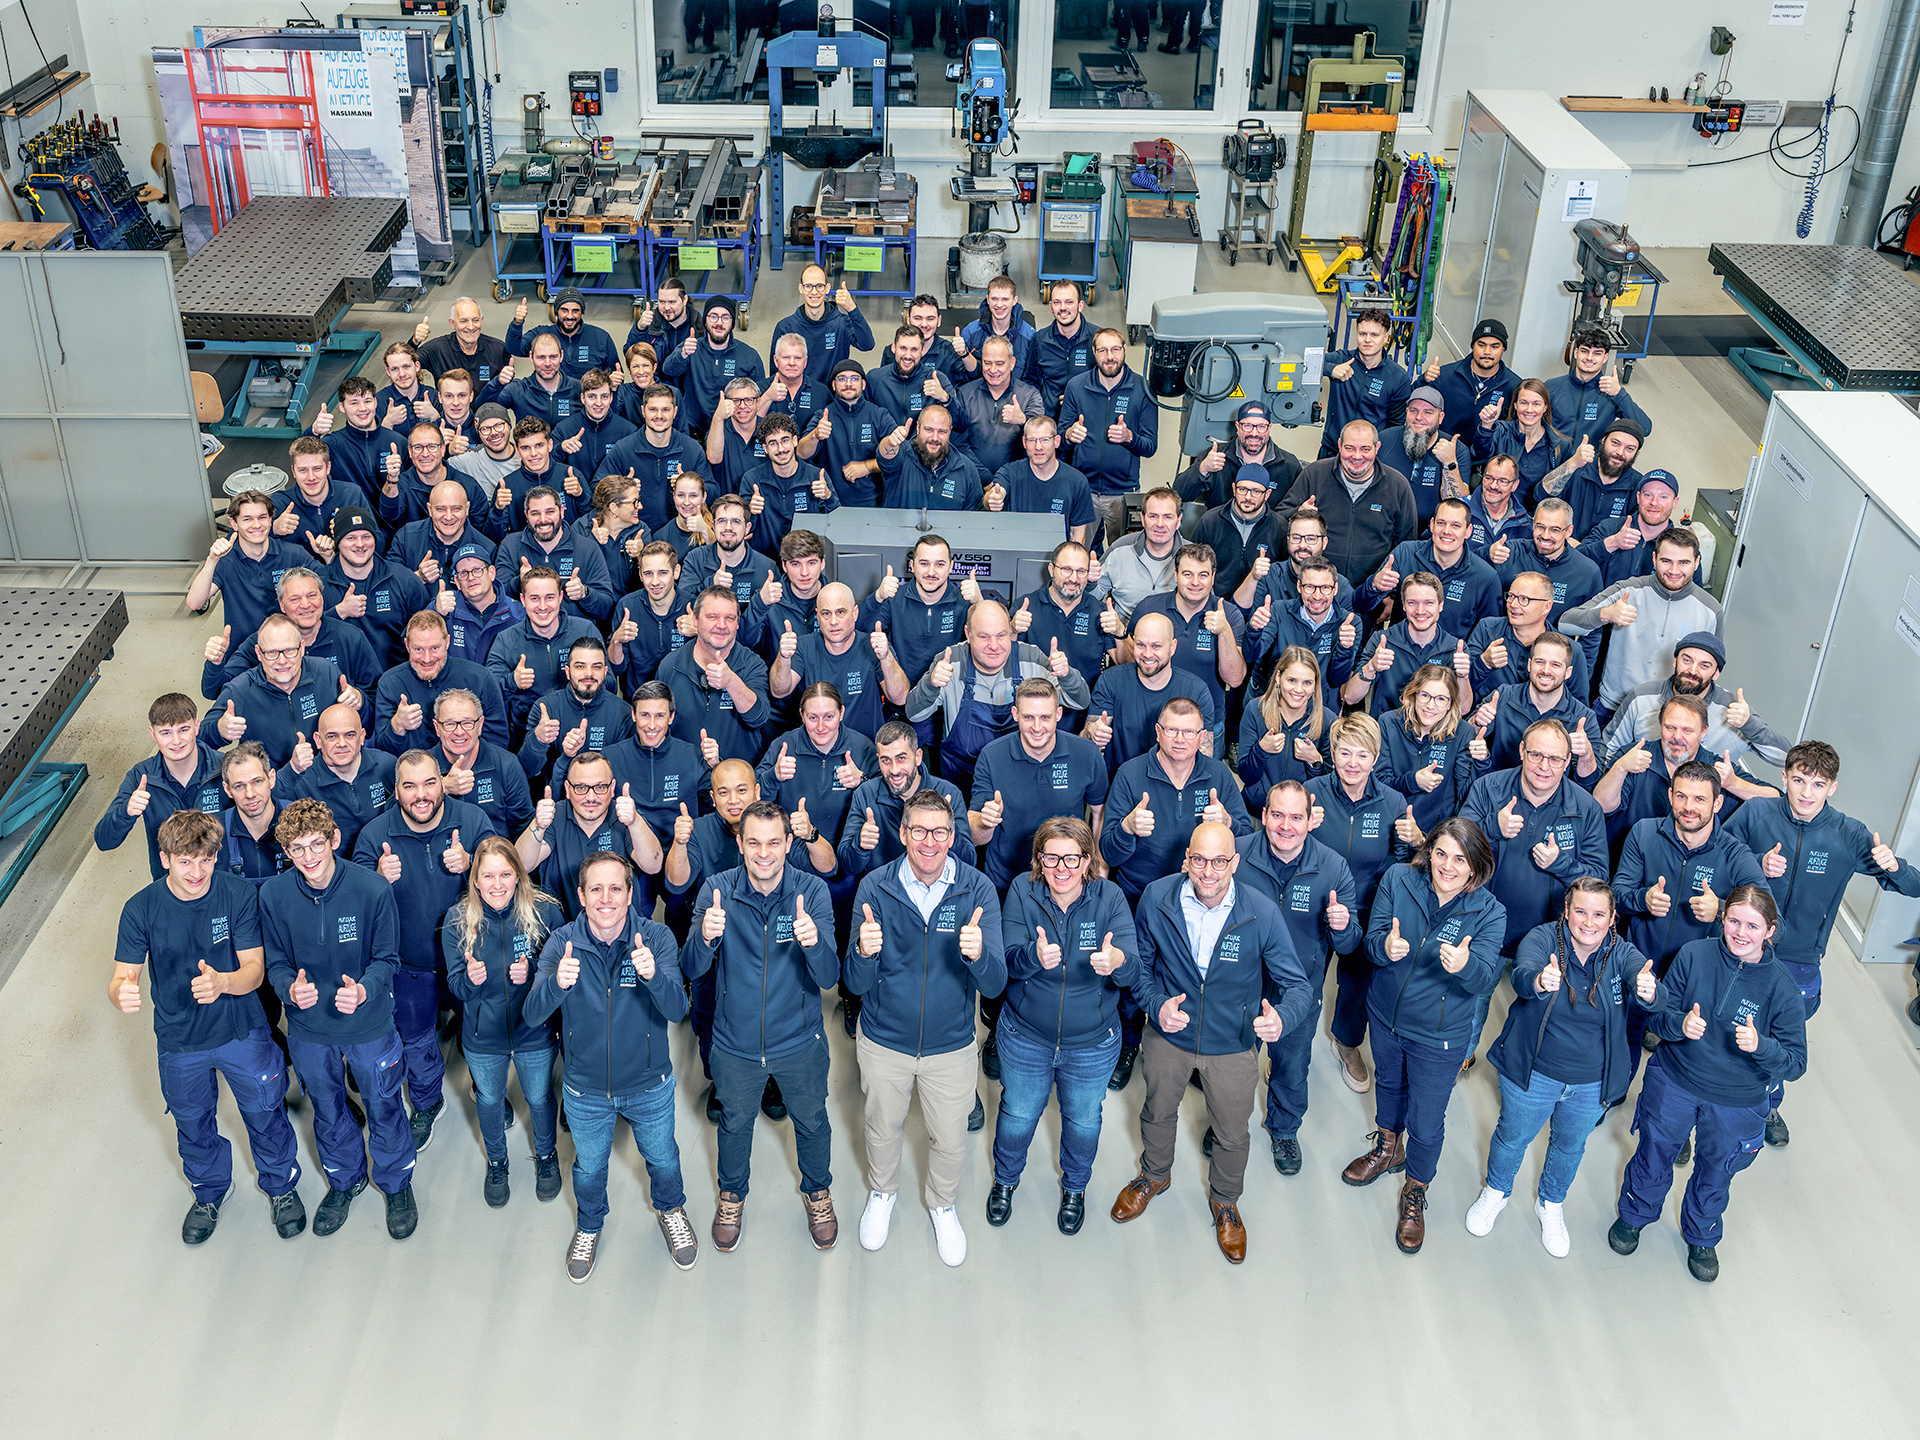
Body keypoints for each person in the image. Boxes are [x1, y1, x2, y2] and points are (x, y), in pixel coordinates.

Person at [1110, 820, 1305, 1263]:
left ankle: (1225, 1202)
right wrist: (1156, 1004)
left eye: (1219, 861)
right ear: (1187, 860)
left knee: (1232, 1133)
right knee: (1157, 1111)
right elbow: (1139, 968)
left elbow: (1297, 985)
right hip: (1170, 1033)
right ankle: (1154, 1175)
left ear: (1235, 862)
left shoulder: (1260, 912)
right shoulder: (1157, 898)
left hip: (1232, 1042)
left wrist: (1283, 1019)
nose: (1209, 872)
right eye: (1199, 860)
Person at [112, 808, 302, 1244]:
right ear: (165, 859)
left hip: (241, 1030)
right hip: (180, 1039)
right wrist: (120, 991)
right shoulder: (140, 909)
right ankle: (210, 1191)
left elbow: (254, 970)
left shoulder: (238, 895)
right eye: (185, 861)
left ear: (217, 856)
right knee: (193, 1122)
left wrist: (223, 983)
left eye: (206, 859)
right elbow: (123, 974)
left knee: (265, 1112)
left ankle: (281, 1186)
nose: (197, 872)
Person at [1722, 740, 1920, 1146]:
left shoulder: (1848, 834)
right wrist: (1756, 863)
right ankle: (1708, 1096)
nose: (1806, 793)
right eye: (1799, 780)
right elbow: (1716, 858)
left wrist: (1895, 866)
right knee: (1725, 1023)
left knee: (1779, 1038)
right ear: (1784, 778)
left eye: (1818, 784)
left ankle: (1767, 1103)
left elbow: (1914, 886)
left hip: (1800, 961)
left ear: (1832, 787)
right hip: (1741, 947)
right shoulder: (1756, 813)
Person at [1610, 885, 1805, 1283]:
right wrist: (1679, 1025)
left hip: (1736, 1101)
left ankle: (1701, 1235)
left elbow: (1796, 1063)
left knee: (1717, 1170)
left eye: (1753, 926)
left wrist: (1762, 1047)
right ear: (1722, 919)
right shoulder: (1693, 955)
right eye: (1734, 921)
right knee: (1654, 1153)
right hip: (1675, 1081)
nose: (1740, 932)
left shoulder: (1782, 989)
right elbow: (1657, 1017)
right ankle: (1635, 1214)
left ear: (1770, 931)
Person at [846, 789, 1006, 1266]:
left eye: (940, 832)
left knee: (951, 1139)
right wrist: (863, 953)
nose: (929, 842)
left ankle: (942, 1204)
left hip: (951, 1046)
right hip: (884, 1041)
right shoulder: (874, 887)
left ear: (953, 836)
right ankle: (882, 1192)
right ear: (903, 833)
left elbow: (995, 984)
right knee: (882, 1127)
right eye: (919, 830)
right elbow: (853, 982)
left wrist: (979, 956)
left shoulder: (977, 890)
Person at [524, 851, 697, 1281]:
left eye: (615, 888)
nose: (606, 898)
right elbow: (531, 1014)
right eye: (596, 889)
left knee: (663, 1158)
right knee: (588, 1167)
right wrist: (556, 985)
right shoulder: (561, 944)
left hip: (648, 1085)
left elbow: (678, 1010)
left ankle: (671, 1209)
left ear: (629, 893)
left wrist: (654, 977)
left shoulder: (656, 938)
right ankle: (589, 1224)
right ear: (581, 896)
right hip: (585, 1090)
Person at [1468, 880, 1660, 1256]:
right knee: (1512, 1136)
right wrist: (1540, 980)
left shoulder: (1622, 953)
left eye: (1599, 914)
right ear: (1566, 911)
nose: (1588, 922)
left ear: (1612, 918)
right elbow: (1522, 975)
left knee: (1570, 1145)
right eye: (1580, 911)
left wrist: (1650, 991)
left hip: (1591, 1083)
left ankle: (1550, 1203)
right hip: (1534, 1073)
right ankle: (1495, 1191)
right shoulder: (1542, 940)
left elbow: (1652, 988)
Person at [682, 801, 841, 1252]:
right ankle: (732, 1195)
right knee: (734, 1125)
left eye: (773, 842)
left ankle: (818, 1192)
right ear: (740, 844)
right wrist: (705, 937)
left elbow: (830, 976)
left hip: (800, 1042)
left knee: (812, 1122)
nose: (764, 853)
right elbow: (691, 968)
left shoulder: (812, 891)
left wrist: (814, 944)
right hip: (735, 1044)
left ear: (789, 843)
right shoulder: (717, 891)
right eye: (754, 843)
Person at [1344, 817, 1506, 1254]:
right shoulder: (1398, 879)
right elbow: (1372, 942)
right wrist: (1384, 948)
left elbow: (1484, 977)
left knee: (1427, 1119)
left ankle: (1415, 1188)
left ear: (1476, 866)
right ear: (1428, 851)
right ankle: (1387, 1148)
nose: (1448, 867)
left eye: (1460, 859)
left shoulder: (1490, 912)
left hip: (1439, 1037)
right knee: (1387, 1086)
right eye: (1440, 854)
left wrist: (1465, 966)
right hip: (1386, 1016)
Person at [260, 797, 418, 1240]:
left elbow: (387, 958)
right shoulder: (273, 896)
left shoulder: (372, 890)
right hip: (309, 1029)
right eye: (297, 849)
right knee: (327, 1109)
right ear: (286, 851)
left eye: (316, 844)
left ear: (334, 839)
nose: (308, 857)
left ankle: (396, 1183)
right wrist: (289, 988)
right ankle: (345, 1180)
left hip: (369, 1025)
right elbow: (275, 963)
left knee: (383, 1104)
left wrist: (364, 989)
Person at [992, 817, 1136, 1233]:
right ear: (1039, 859)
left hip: (1092, 1043)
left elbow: (1133, 968)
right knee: (1018, 1115)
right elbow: (1006, 964)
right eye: (1051, 857)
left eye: (1072, 858)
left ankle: (1075, 1187)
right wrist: (1033, 957)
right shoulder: (1022, 890)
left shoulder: (1109, 897)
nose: (1061, 868)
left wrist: (1117, 961)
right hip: (1026, 1036)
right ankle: (1005, 1179)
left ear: (1087, 861)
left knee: (1083, 1121)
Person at [351, 750, 498, 1151]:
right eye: (410, 786)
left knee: (481, 1031)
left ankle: (486, 1090)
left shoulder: (472, 820)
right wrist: (376, 878)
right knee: (416, 1043)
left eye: (430, 783)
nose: (421, 794)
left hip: (469, 958)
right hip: (408, 965)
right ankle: (427, 1102)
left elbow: (505, 879)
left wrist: (472, 863)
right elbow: (354, 904)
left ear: (442, 783)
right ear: (396, 790)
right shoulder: (374, 835)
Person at [1458, 718, 1609, 1062]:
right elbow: (1456, 844)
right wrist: (1491, 828)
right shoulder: (1489, 788)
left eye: (1555, 759)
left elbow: (1600, 879)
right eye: (1537, 755)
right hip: (1487, 924)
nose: (1544, 766)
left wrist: (1562, 863)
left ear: (1567, 762)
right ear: (1522, 751)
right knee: (1473, 997)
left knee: (1538, 1009)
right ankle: (1460, 1058)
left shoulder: (1585, 808)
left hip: (1550, 935)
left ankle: (1514, 1067)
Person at [1234, 780, 1361, 1175]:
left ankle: (1284, 1130)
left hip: (1298, 989)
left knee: (1291, 1066)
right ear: (1263, 815)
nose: (1285, 826)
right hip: (1243, 985)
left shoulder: (1333, 867)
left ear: (1310, 820)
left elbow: (1350, 944)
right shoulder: (1237, 855)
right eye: (1277, 815)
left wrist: (1342, 925)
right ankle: (1227, 1123)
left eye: (1295, 817)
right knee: (1234, 1063)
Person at [1612, 759, 1769, 1059]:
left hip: (1694, 983)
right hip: (1639, 967)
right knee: (1622, 1047)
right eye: (1681, 796)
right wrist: (1642, 899)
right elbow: (1616, 894)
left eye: (1700, 799)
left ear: (1717, 803)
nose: (1689, 807)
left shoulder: (1735, 855)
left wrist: (1722, 911)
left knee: (1676, 1061)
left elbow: (1771, 920)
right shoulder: (1644, 833)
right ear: (1670, 795)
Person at [443, 836, 564, 1208]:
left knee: (539, 1098)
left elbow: (562, 974)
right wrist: (470, 980)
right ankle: (497, 1162)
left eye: (506, 874)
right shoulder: (457, 921)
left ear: (519, 875)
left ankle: (546, 1156)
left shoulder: (545, 912)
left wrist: (533, 974)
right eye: (488, 876)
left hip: (534, 1031)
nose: (497, 884)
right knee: (490, 1099)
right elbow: (455, 986)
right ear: (476, 880)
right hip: (484, 1037)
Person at [1309, 713, 1415, 1096]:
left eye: (1362, 754)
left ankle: (1347, 1043)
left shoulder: (1393, 802)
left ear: (1375, 758)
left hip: (1367, 908)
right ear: (1332, 753)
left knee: (1357, 986)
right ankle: (1288, 1048)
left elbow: (1400, 861)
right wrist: (1300, 828)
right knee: (1303, 980)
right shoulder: (1311, 794)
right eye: (1344, 752)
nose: (1352, 763)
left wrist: (1416, 841)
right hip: (1315, 906)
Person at [905, 600, 1091, 799]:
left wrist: (1067, 675)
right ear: (968, 634)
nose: (994, 646)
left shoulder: (1031, 658)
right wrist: (930, 685)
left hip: (1018, 779)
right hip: (962, 781)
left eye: (1001, 635)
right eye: (984, 636)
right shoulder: (950, 661)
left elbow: (1080, 701)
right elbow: (914, 713)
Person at [1099, 696, 1253, 904]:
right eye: (1171, 730)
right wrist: (1127, 828)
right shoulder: (1129, 774)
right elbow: (1109, 855)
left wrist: (1228, 823)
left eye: (1189, 732)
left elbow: (1247, 844)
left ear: (1202, 737)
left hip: (1201, 896)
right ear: (1158, 732)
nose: (1180, 739)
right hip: (1138, 897)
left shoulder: (1219, 774)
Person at [969, 678, 1110, 894]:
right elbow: (975, 835)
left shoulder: (1087, 753)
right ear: (1015, 714)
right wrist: (985, 822)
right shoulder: (991, 756)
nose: (1037, 727)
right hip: (1006, 882)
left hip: (1067, 879)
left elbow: (1100, 814)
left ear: (1058, 715)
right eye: (1028, 717)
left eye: (1045, 717)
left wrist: (1099, 867)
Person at [1560, 529, 1719, 718]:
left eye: (1683, 562)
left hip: (1668, 717)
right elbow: (1565, 623)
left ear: (1697, 563)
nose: (1674, 571)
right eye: (1666, 561)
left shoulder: (1711, 611)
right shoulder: (1628, 590)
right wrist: (1605, 614)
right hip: (1612, 710)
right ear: (1654, 559)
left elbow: (1711, 673)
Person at [1595, 694, 1775, 850]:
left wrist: (1734, 784)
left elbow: (1775, 800)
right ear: (1660, 725)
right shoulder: (1632, 756)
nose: (1677, 737)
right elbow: (1600, 806)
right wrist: (1620, 768)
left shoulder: (1717, 768)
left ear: (1703, 733)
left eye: (1687, 730)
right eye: (1670, 727)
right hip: (1625, 863)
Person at [1600, 631, 1789, 773]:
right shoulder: (1641, 697)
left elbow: (1786, 758)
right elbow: (1607, 752)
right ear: (1675, 661)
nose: (1692, 670)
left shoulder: (1733, 709)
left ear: (1716, 673)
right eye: (1687, 660)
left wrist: (1749, 725)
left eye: (1704, 665)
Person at [1128, 544, 1247, 756]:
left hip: (1205, 726)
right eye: (1187, 574)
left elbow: (1235, 679)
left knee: (1202, 777)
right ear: (1175, 575)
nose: (1195, 582)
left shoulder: (1229, 615)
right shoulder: (1149, 608)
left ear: (1213, 577)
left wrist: (1224, 631)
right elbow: (1128, 662)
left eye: (1203, 575)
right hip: (1152, 721)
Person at [201, 615, 361, 770]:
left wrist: (360, 701)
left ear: (302, 648)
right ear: (258, 653)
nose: (282, 661)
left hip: (329, 778)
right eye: (272, 653)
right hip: (272, 784)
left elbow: (363, 727)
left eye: (289, 650)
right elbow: (199, 739)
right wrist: (219, 730)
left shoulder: (326, 672)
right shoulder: (241, 689)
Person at [98, 693, 230, 880]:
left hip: (223, 882)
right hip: (171, 886)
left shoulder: (226, 768)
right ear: (153, 734)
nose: (176, 741)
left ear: (197, 726)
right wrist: (125, 812)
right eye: (166, 733)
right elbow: (104, 841)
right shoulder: (141, 777)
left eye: (183, 730)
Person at [1274, 420, 1418, 588]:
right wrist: (1298, 512)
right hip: (1315, 590)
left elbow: (1407, 547)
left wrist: (1391, 593)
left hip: (1372, 592)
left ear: (1377, 448)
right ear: (1339, 445)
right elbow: (1278, 520)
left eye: (1365, 449)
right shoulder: (1314, 474)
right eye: (1350, 448)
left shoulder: (1397, 486)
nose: (1357, 456)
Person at [1086, 610, 1218, 775]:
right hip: (1118, 782)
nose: (1147, 654)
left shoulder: (1196, 691)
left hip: (1173, 784)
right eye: (1141, 645)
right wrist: (1091, 733)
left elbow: (1204, 757)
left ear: (1172, 647)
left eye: (1156, 646)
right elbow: (1087, 742)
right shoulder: (1111, 680)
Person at [771, 581, 908, 741]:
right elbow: (779, 691)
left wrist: (886, 658)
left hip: (866, 750)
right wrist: (784, 657)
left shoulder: (874, 646)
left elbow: (900, 697)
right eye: (826, 614)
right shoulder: (804, 646)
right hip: (819, 749)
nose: (833, 621)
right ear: (818, 616)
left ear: (855, 613)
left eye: (840, 612)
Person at [1060, 328, 1159, 542]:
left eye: (1115, 349)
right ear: (1094, 352)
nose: (1110, 357)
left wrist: (1129, 437)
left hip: (1122, 493)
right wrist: (1069, 434)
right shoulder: (1076, 387)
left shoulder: (1143, 390)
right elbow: (1059, 438)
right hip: (1083, 490)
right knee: (1076, 552)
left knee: (1123, 554)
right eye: (1103, 350)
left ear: (1124, 350)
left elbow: (1150, 446)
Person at [657, 585, 771, 766]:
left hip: (737, 777)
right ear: (695, 619)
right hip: (685, 775)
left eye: (730, 618)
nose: (721, 625)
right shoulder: (670, 666)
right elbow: (659, 726)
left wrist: (731, 682)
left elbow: (758, 717)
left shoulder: (752, 664)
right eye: (712, 617)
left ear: (738, 623)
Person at [488, 565, 600, 742]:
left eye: (549, 597)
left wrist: (586, 678)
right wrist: (512, 681)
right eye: (534, 598)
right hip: (525, 738)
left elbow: (609, 683)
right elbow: (489, 695)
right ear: (523, 600)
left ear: (560, 597)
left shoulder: (586, 630)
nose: (542, 606)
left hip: (579, 734)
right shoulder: (505, 640)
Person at [373, 610, 508, 755]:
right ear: (407, 645)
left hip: (468, 767)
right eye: (418, 649)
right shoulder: (390, 683)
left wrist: (465, 764)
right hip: (413, 768)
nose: (427, 659)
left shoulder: (481, 679)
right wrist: (397, 725)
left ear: (447, 642)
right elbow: (384, 752)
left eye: (435, 648)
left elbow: (497, 741)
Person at [1466, 631, 1599, 777]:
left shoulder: (1584, 718)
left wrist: (1586, 755)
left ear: (1568, 672)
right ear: (1529, 665)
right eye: (1540, 662)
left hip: (1551, 792)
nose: (1546, 671)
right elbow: (1463, 741)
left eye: (1555, 665)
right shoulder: (1502, 696)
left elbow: (1589, 784)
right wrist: (1476, 722)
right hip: (1498, 787)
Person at [186, 489, 305, 645]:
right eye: (247, 519)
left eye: (262, 517)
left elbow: (325, 585)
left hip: (286, 648)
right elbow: (195, 603)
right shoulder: (225, 561)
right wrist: (211, 560)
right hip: (242, 651)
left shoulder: (294, 554)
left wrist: (328, 556)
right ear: (234, 524)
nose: (256, 525)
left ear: (271, 520)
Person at [1377, 665, 1483, 837]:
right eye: (1424, 695)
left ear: (1450, 703)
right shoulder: (1388, 723)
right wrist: (1413, 781)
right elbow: (1378, 784)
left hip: (1434, 836)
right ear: (1413, 694)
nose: (1430, 705)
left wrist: (1481, 761)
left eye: (1441, 699)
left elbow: (1466, 796)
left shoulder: (1463, 732)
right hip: (1389, 828)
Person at [320, 506, 432, 668]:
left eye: (366, 536)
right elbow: (302, 635)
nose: (360, 544)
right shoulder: (318, 584)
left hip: (396, 678)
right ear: (338, 542)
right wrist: (339, 612)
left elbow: (429, 632)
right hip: (340, 680)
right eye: (351, 538)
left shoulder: (404, 580)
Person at [1373, 496, 1503, 636]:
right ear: (1432, 524)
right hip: (1399, 648)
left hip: (1456, 650)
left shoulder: (1486, 577)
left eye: (1456, 525)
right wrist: (1373, 585)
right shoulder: (1404, 553)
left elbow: (1491, 635)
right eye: (1441, 523)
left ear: (1468, 531)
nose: (1447, 531)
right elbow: (1363, 603)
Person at [518, 635, 634, 790]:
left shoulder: (624, 714)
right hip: (555, 799)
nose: (589, 674)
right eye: (580, 666)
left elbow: (625, 775)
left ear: (606, 672)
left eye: (596, 667)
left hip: (604, 800)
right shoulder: (545, 708)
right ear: (567, 672)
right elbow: (527, 770)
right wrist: (538, 740)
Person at [1343, 573, 1464, 720]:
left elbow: (1463, 709)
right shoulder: (1382, 640)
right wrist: (1371, 667)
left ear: (1441, 605)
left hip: (1435, 731)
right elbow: (1350, 697)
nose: (1420, 611)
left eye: (1428, 603)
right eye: (1412, 603)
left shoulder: (1455, 649)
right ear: (1404, 605)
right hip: (1386, 729)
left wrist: (1463, 676)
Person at [597, 383, 714, 532]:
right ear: (643, 411)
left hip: (680, 533)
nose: (659, 415)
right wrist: (621, 489)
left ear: (675, 412)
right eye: (653, 409)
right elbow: (597, 488)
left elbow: (713, 491)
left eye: (665, 410)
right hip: (633, 532)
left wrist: (689, 486)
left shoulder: (692, 449)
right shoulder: (623, 449)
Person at [283, 702, 396, 855]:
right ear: (318, 740)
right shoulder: (301, 780)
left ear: (362, 736)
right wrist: (291, 771)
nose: (342, 744)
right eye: (332, 736)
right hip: (331, 867)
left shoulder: (388, 766)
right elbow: (265, 806)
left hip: (385, 859)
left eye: (350, 735)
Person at [1245, 559, 1360, 707]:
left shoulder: (1350, 623)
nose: (1317, 596)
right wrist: (1254, 630)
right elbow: (1251, 655)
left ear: (1335, 588)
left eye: (1325, 587)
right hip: (1273, 701)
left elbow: (1338, 679)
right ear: (1299, 586)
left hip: (1319, 707)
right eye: (1310, 587)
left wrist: (1345, 649)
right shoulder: (1279, 611)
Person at [1465, 571, 1590, 703]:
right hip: (1486, 713)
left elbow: (1578, 705)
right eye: (1511, 596)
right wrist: (1484, 663)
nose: (1513, 604)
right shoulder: (1487, 629)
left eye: (1524, 599)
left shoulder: (1570, 649)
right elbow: (1461, 689)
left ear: (1546, 607)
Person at [426, 688, 532, 839]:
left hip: (494, 852)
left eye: (467, 723)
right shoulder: (421, 766)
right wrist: (443, 787)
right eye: (449, 724)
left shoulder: (507, 765)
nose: (459, 732)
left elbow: (523, 829)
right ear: (437, 728)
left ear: (480, 725)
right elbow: (397, 813)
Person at [1492, 497, 1604, 635]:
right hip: (1506, 644)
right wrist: (1488, 553)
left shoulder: (1588, 571)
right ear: (1533, 524)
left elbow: (1592, 629)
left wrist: (1576, 650)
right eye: (1540, 527)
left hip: (1557, 647)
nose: (1545, 536)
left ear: (1569, 531)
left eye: (1555, 530)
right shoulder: (1510, 552)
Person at [1009, 541, 1110, 691]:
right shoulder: (1026, 607)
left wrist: (1119, 632)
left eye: (1081, 571)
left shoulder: (1100, 612)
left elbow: (1124, 661)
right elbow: (1003, 660)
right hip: (1035, 702)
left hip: (1084, 703)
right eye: (1066, 570)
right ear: (1051, 570)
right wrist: (1012, 630)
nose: (1074, 579)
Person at [1175, 399, 1304, 512]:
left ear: (1269, 428)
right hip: (1221, 529)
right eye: (1247, 426)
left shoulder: (1289, 465)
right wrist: (1203, 468)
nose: (1254, 433)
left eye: (1261, 426)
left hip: (1269, 532)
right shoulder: (1216, 456)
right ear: (1237, 427)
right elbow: (1179, 494)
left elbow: (1294, 510)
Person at [663, 295, 766, 436]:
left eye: (725, 317)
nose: (719, 323)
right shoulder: (691, 347)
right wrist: (683, 354)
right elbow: (668, 370)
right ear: (705, 321)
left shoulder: (749, 356)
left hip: (730, 431)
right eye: (713, 316)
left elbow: (758, 395)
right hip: (692, 429)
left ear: (732, 322)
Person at [738, 414, 837, 559]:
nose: (780, 449)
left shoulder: (816, 476)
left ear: (795, 440)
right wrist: (750, 512)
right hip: (766, 561)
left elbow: (836, 524)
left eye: (785, 440)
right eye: (773, 443)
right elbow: (743, 530)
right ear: (765, 448)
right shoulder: (752, 479)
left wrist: (828, 497)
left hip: (805, 562)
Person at [798, 359, 892, 507]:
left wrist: (867, 466)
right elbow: (801, 453)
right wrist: (815, 435)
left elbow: (898, 459)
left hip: (875, 505)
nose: (848, 384)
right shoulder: (822, 416)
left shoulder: (879, 415)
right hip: (832, 503)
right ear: (833, 385)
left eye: (854, 378)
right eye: (842, 379)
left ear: (863, 384)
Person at [1317, 312, 1411, 459]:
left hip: (1368, 457)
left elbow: (1395, 426)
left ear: (1386, 338)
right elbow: (1304, 361)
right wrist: (1331, 369)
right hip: (1333, 449)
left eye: (1374, 335)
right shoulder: (1342, 360)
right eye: (1362, 334)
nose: (1367, 340)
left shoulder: (1398, 377)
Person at [1238, 646, 1328, 796]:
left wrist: (1315, 761)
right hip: (1259, 806)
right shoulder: (1255, 710)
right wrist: (1261, 750)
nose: (1298, 689)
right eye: (1292, 680)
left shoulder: (1327, 720)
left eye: (1307, 683)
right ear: (1278, 677)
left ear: (1315, 685)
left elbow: (1327, 789)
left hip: (1301, 809)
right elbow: (1246, 776)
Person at [1194, 464, 1288, 606]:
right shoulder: (1210, 521)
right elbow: (1193, 564)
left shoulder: (1280, 528)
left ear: (1267, 494)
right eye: (1243, 489)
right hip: (1213, 605)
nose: (1248, 497)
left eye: (1256, 491)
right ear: (1234, 489)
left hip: (1257, 609)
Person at [1545, 326, 1652, 447]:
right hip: (1554, 456)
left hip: (1591, 458)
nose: (1589, 357)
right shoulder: (1552, 386)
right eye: (1585, 351)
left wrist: (1619, 394)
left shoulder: (1611, 393)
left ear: (1605, 357)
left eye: (1597, 353)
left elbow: (1645, 428)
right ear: (1576, 353)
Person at [1374, 385, 1466, 524]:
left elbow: (1458, 505)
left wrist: (1449, 463)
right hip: (1382, 526)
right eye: (1413, 410)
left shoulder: (1456, 449)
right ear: (1406, 412)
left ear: (1440, 417)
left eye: (1428, 412)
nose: (1418, 417)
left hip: (1430, 532)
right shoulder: (1384, 439)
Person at [1422, 317, 1521, 444]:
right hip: (1442, 449)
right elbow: (1412, 404)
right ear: (1473, 346)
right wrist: (1424, 380)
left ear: (1503, 349)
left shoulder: (1514, 385)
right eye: (1481, 345)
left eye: (1494, 346)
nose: (1487, 352)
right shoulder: (1445, 374)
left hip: (1487, 454)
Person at [307, 376, 412, 496]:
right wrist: (313, 432)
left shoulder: (399, 442)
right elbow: (303, 459)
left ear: (375, 402)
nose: (362, 408)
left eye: (367, 401)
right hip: (351, 509)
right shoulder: (333, 445)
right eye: (354, 403)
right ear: (342, 407)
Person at [272, 437, 370, 563]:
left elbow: (378, 541)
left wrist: (350, 531)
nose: (311, 477)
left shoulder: (351, 495)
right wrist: (273, 529)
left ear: (328, 468)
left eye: (317, 468)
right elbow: (251, 544)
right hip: (298, 573)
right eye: (303, 470)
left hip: (344, 570)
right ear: (293, 472)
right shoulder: (280, 502)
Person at [770, 264, 874, 382]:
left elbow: (867, 345)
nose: (814, 292)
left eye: (819, 286)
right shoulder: (785, 327)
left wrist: (852, 309)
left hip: (832, 392)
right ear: (801, 288)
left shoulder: (842, 323)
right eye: (808, 286)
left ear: (827, 288)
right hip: (798, 392)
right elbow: (775, 372)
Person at [1551, 418, 1647, 545]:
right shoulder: (1577, 466)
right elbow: (1540, 497)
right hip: (1562, 547)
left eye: (1630, 449)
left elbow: (1636, 535)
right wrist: (1573, 463)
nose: (1620, 452)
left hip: (1604, 555)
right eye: (1615, 443)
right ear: (1603, 440)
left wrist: (1583, 549)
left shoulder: (1639, 485)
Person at [960, 337, 1047, 474]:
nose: (993, 370)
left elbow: (1040, 438)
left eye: (1000, 363)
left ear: (1012, 363)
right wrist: (983, 476)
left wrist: (1024, 421)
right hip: (973, 478)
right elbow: (958, 442)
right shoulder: (965, 393)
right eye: (987, 363)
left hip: (1016, 479)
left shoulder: (1030, 395)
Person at [876, 404, 984, 511]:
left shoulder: (966, 468)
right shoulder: (902, 454)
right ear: (918, 428)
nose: (935, 438)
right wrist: (890, 443)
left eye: (942, 431)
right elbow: (885, 457)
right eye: (929, 430)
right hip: (898, 523)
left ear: (950, 431)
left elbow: (975, 515)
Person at [1586, 468, 1681, 586]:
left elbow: (1693, 592)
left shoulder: (1682, 546)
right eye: (1648, 495)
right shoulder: (1610, 528)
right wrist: (1612, 542)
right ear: (1638, 497)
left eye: (1663, 497)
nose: (1654, 502)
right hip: (1604, 598)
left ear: (1675, 502)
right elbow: (1576, 562)